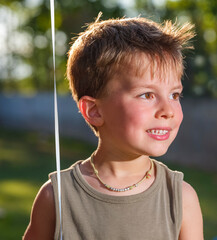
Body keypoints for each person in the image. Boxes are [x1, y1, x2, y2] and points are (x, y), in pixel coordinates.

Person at [23, 14, 203, 240]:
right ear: (94, 111)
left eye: (174, 94)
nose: (168, 109)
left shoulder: (181, 198)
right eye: (147, 95)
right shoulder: (56, 197)